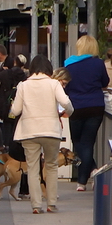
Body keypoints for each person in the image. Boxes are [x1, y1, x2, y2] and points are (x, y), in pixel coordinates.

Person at [10, 55, 73, 213]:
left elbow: (16, 110)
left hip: (29, 131)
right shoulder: (53, 84)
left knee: (32, 168)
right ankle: (51, 203)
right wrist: (70, 112)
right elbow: (65, 102)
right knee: (51, 166)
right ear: (49, 70)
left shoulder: (23, 85)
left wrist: (11, 112)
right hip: (50, 131)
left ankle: (36, 205)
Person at [63, 34, 110, 191]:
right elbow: (105, 82)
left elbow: (66, 87)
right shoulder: (98, 64)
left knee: (78, 142)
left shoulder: (69, 65)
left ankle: (86, 176)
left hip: (76, 106)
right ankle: (87, 177)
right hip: (95, 106)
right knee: (88, 142)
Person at [0, 48, 27, 151]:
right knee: (16, 124)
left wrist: (2, 68)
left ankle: (6, 145)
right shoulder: (24, 75)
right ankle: (15, 145)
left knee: (6, 123)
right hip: (19, 100)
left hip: (7, 101)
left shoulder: (7, 73)